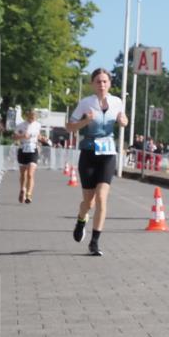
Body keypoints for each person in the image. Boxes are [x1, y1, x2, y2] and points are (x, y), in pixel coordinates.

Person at [65, 68, 128, 256]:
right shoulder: (85, 103)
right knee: (88, 201)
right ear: (92, 84)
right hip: (89, 153)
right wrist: (85, 121)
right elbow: (69, 127)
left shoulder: (117, 102)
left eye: (105, 81)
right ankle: (81, 219)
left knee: (101, 197)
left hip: (108, 153)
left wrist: (123, 120)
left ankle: (94, 242)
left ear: (110, 84)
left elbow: (123, 120)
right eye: (98, 81)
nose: (102, 85)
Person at [14, 109, 46, 203]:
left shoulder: (37, 125)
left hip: (33, 150)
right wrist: (23, 136)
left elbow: (38, 136)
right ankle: (22, 189)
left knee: (30, 174)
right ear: (27, 116)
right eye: (31, 117)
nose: (32, 119)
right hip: (23, 149)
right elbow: (14, 137)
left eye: (34, 117)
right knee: (23, 174)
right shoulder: (20, 125)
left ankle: (29, 195)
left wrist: (42, 139)